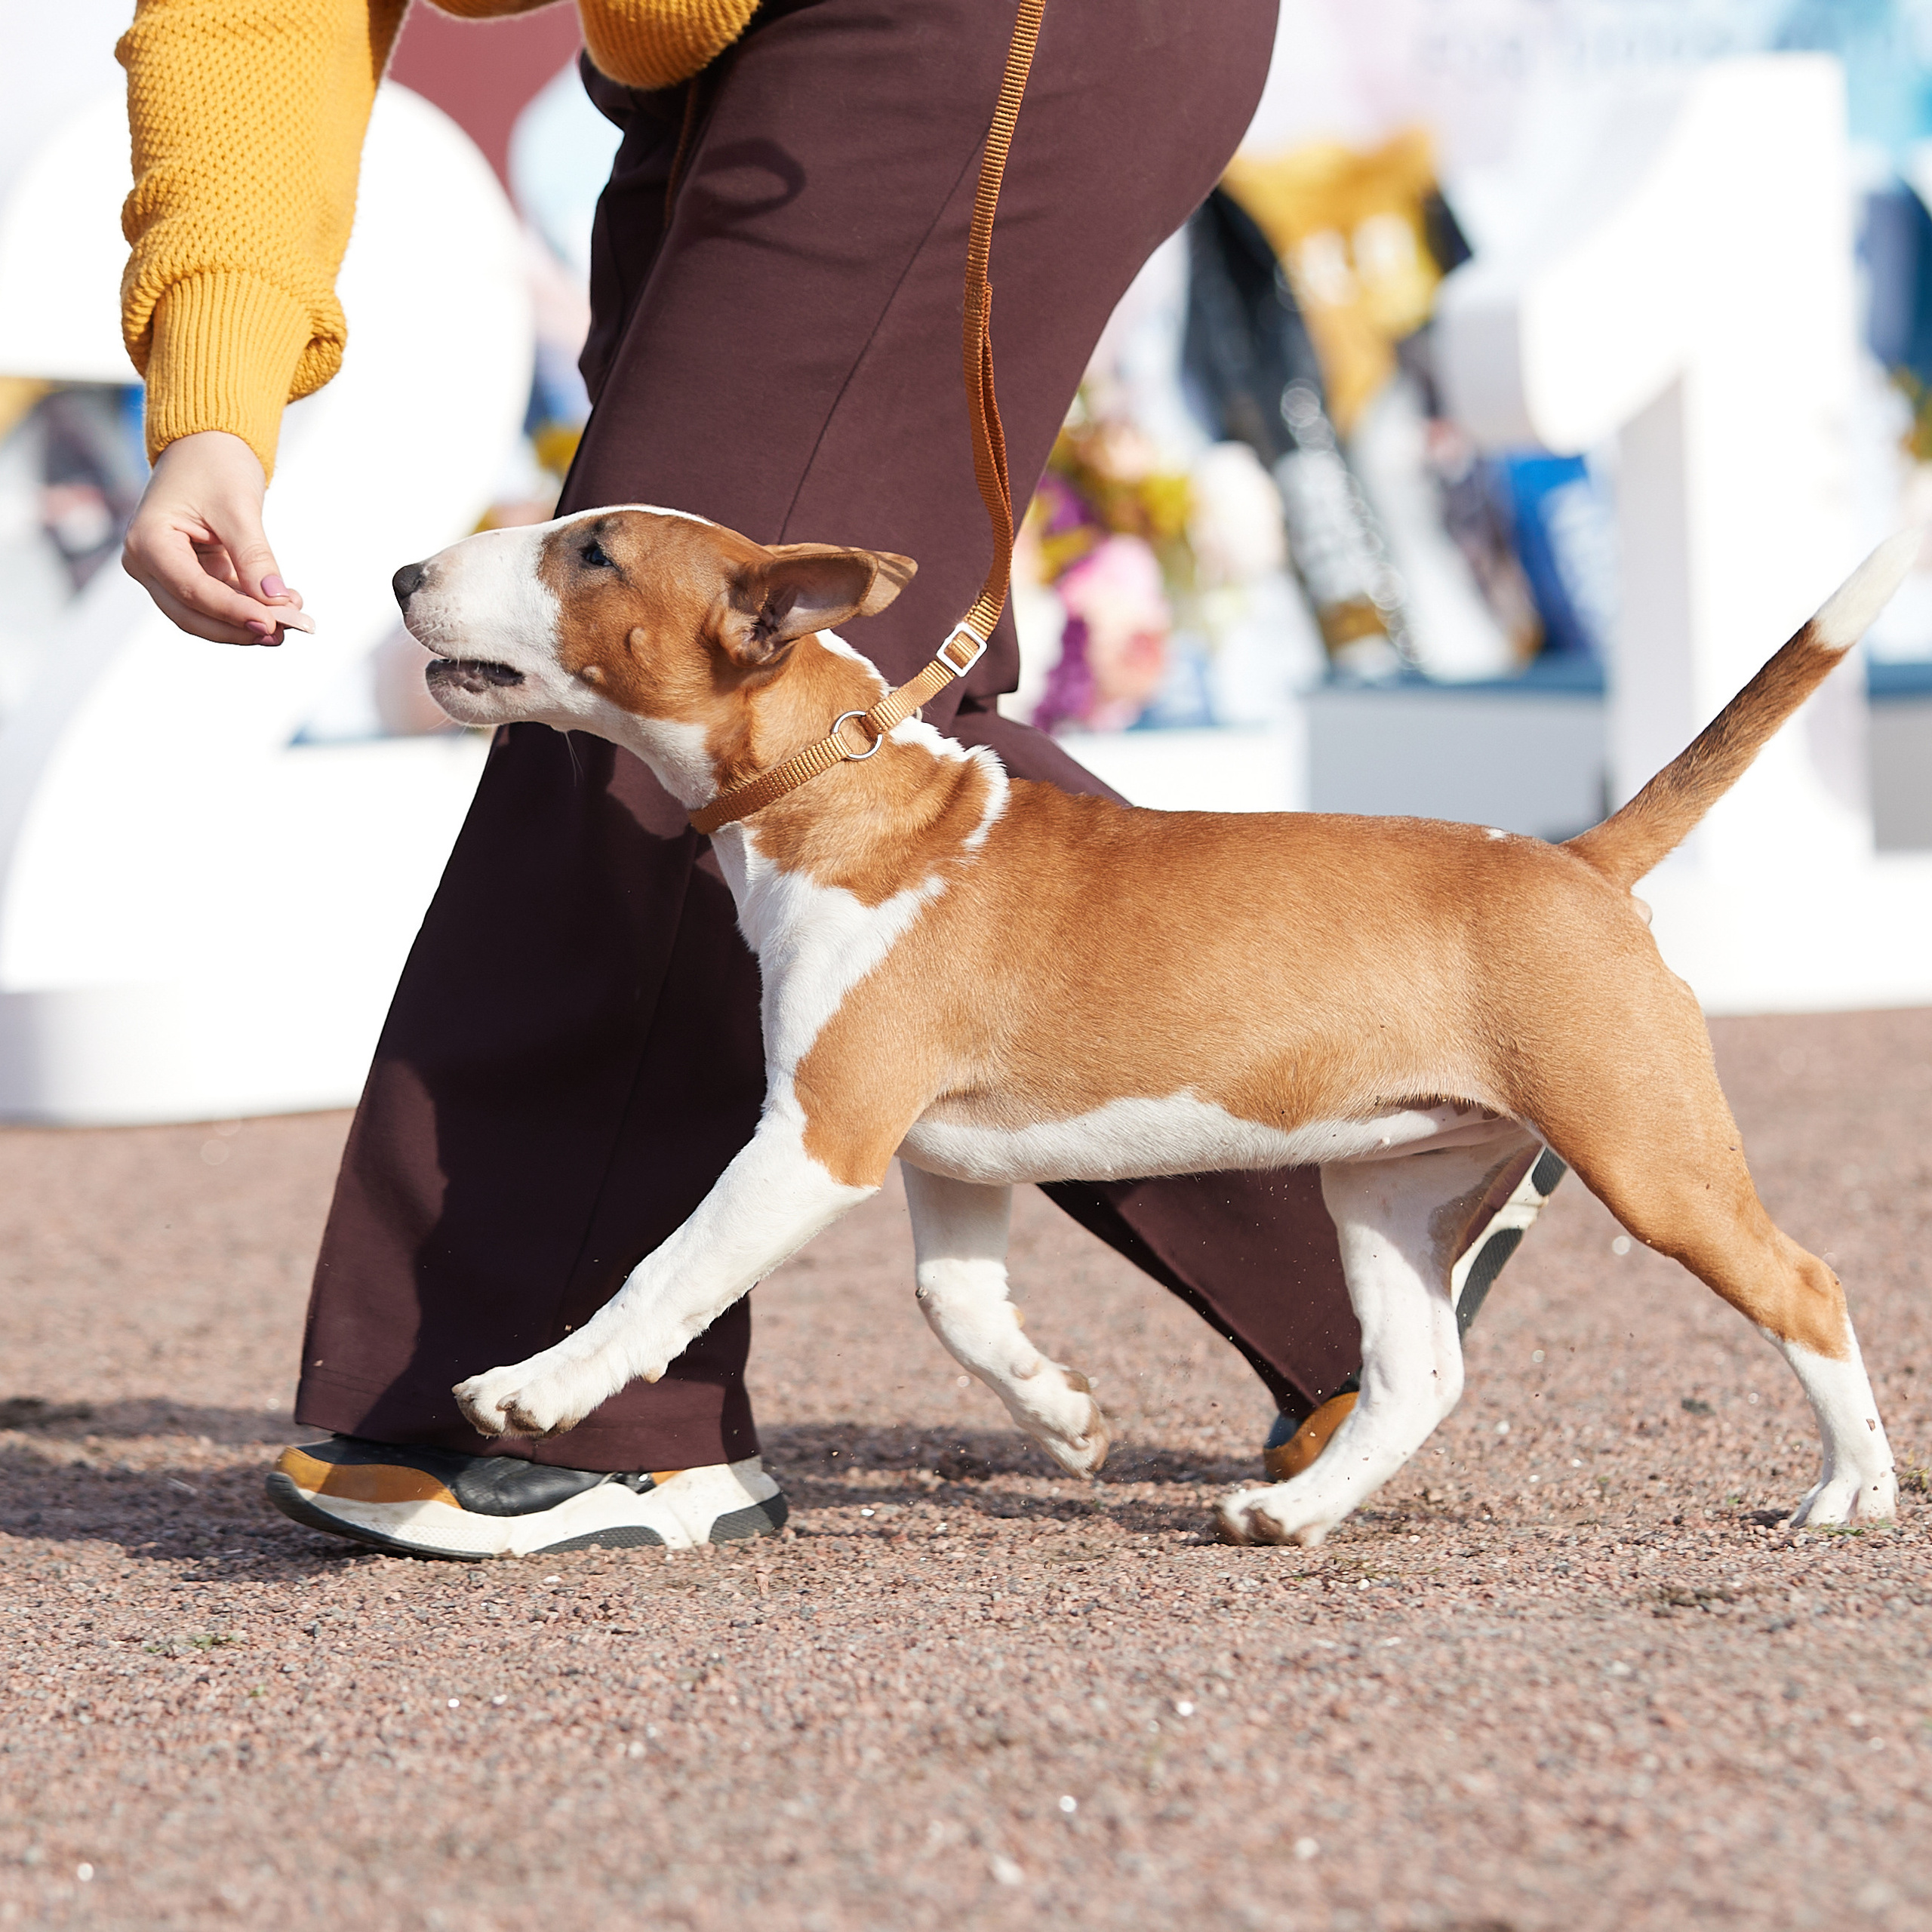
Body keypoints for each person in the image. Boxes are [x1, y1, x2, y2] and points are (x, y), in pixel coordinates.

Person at [118, 0, 1552, 1560]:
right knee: (850, 742)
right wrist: (214, 404)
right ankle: (1378, 1085)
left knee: (655, 682)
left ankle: (580, 1410)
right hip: (700, 61)